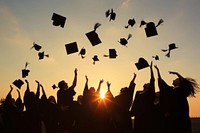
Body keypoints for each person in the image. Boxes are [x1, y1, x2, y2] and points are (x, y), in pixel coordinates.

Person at [154, 65, 200, 133]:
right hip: (172, 115)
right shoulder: (171, 89)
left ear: (179, 83)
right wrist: (157, 71)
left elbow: (185, 83)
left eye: (176, 79)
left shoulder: (182, 90)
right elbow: (162, 83)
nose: (174, 80)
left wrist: (177, 74)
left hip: (181, 114)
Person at [130, 61, 155, 133]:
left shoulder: (149, 93)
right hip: (138, 115)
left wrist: (151, 69)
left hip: (146, 115)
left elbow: (152, 80)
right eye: (147, 83)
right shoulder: (138, 92)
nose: (147, 83)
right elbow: (134, 102)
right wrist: (132, 112)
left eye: (148, 84)